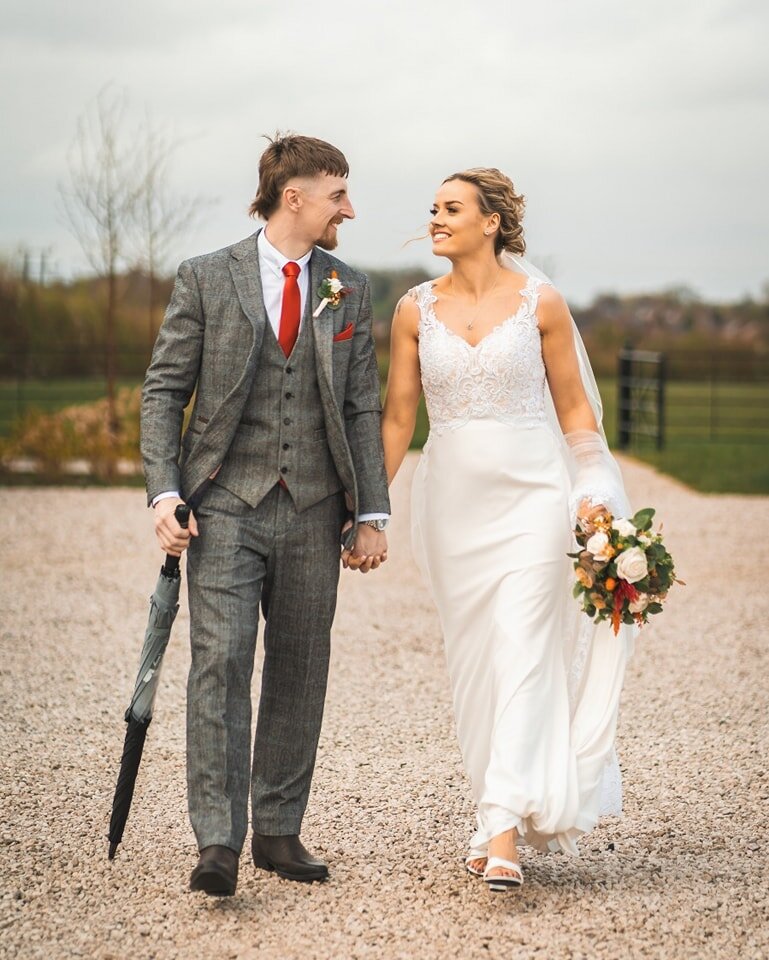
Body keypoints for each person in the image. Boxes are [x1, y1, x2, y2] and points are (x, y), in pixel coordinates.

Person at [141, 133, 390, 897]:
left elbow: (359, 407)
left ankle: (278, 830)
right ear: (295, 197)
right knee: (218, 665)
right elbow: (162, 393)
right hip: (223, 509)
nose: (348, 207)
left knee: (299, 668)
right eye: (337, 192)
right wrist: (163, 493)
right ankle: (217, 841)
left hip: (315, 510)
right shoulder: (207, 277)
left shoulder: (349, 286)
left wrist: (371, 511)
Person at [382, 168, 634, 892]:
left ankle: (500, 831)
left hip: (533, 498)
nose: (435, 218)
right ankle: (498, 807)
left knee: (525, 648)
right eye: (432, 209)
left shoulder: (540, 303)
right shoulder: (411, 310)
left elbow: (577, 416)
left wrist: (592, 493)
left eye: (451, 209)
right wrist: (368, 506)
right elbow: (399, 419)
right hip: (454, 509)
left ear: (490, 222)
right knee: (476, 666)